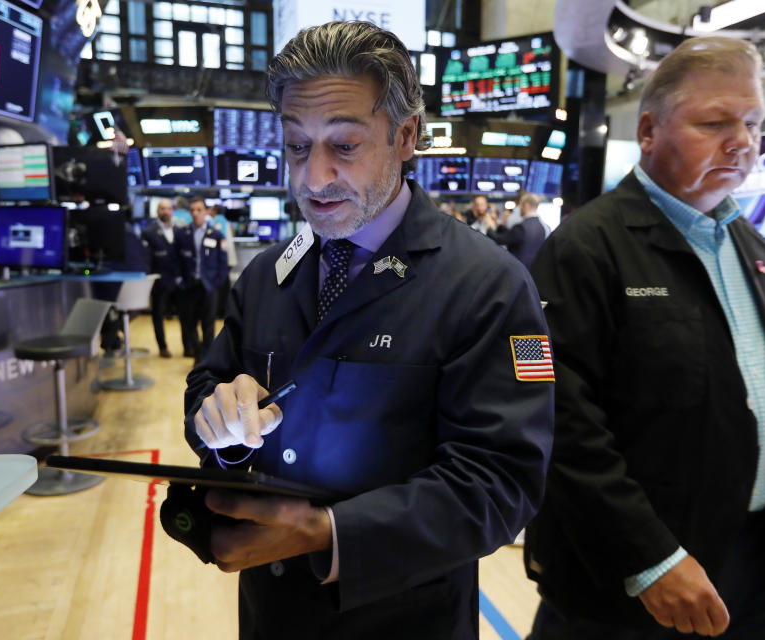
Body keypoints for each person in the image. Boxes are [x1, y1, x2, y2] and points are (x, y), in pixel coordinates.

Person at [182, 21, 553, 639]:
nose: (313, 177)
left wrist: (331, 534)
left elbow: (502, 480)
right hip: (272, 615)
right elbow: (209, 380)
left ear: (406, 136)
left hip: (406, 616)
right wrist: (220, 422)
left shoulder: (488, 285)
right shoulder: (268, 273)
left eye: (345, 146)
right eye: (298, 146)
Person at [524, 36, 765, 639]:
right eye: (715, 122)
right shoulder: (583, 248)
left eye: (754, 122)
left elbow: (750, 358)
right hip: (631, 582)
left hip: (758, 564)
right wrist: (650, 557)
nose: (744, 142)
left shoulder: (747, 241)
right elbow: (554, 415)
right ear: (649, 131)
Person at [176, 197, 230, 361]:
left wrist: (217, 283)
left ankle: (206, 358)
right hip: (189, 285)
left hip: (209, 286)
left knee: (209, 324)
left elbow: (223, 262)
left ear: (206, 212)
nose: (195, 213)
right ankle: (198, 355)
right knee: (189, 324)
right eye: (192, 210)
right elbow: (175, 259)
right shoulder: (182, 234)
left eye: (199, 210)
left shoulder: (216, 235)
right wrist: (179, 280)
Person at [142, 198, 182, 358]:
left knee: (186, 315)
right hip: (159, 280)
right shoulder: (149, 232)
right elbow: (145, 258)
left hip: (179, 279)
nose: (165, 211)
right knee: (158, 314)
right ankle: (162, 347)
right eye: (162, 208)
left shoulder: (180, 231)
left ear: (172, 210)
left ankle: (189, 346)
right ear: (157, 211)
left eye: (168, 208)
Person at [485, 193, 547, 268]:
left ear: (526, 206)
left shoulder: (521, 227)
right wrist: (498, 225)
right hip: (533, 269)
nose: (519, 208)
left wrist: (489, 227)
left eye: (520, 206)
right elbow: (511, 235)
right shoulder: (542, 227)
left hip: (518, 269)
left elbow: (499, 239)